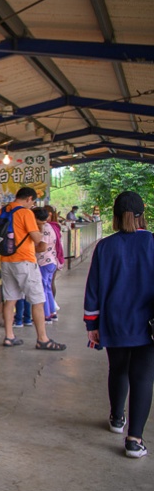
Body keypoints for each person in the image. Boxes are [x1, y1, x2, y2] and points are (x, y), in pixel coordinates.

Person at [84, 191, 154, 459]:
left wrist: (92, 322)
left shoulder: (105, 246)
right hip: (147, 325)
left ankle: (116, 418)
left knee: (118, 369)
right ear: (141, 216)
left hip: (113, 321)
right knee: (143, 378)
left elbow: (93, 288)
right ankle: (134, 440)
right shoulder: (152, 242)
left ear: (114, 217)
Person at [0, 187, 65, 350]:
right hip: (25, 260)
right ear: (29, 198)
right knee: (38, 300)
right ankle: (42, 339)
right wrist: (40, 229)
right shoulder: (25, 213)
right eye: (33, 201)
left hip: (6, 259)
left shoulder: (2, 211)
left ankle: (9, 336)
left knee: (10, 299)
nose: (32, 204)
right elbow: (36, 239)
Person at [32, 207, 60, 325]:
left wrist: (29, 249)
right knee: (47, 288)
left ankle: (46, 315)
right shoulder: (51, 226)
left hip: (44, 262)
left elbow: (42, 247)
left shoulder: (45, 228)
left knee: (43, 289)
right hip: (51, 262)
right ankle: (52, 312)